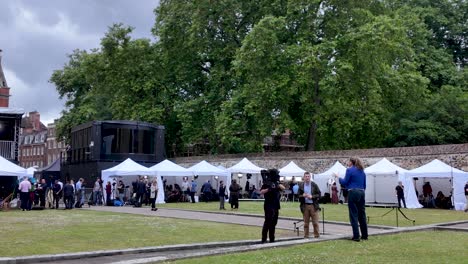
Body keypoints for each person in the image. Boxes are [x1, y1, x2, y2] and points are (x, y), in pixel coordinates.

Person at [336, 157, 368, 242]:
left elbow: (345, 182)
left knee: (353, 214)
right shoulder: (362, 171)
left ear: (351, 162)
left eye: (348, 161)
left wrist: (338, 177)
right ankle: (365, 235)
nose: (347, 163)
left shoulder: (349, 170)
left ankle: (356, 236)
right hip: (362, 192)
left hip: (353, 192)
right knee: (362, 214)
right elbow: (364, 185)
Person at [260, 169, 285, 243]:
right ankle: (264, 238)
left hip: (276, 204)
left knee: (274, 222)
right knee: (267, 221)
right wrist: (269, 189)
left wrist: (277, 185)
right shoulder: (267, 182)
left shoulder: (276, 182)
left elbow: (283, 188)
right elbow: (261, 191)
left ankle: (272, 238)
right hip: (268, 204)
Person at [298, 172, 321, 238]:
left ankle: (316, 235)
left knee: (315, 222)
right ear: (304, 177)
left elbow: (319, 194)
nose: (307, 178)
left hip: (313, 205)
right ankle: (306, 236)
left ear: (310, 177)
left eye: (308, 176)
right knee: (306, 223)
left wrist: (312, 196)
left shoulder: (314, 185)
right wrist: (302, 195)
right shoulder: (301, 185)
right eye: (306, 176)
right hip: (305, 205)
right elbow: (297, 195)